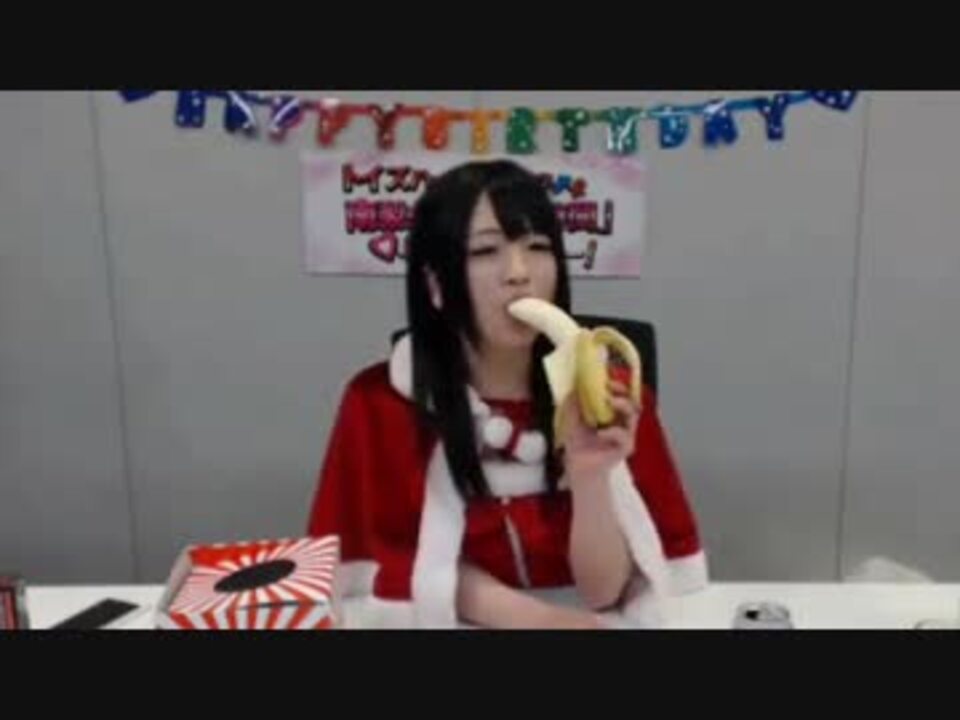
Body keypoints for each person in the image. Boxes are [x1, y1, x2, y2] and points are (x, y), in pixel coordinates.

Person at [307, 159, 707, 629]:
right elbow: (403, 560)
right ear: (435, 283)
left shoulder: (609, 393)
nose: (519, 273)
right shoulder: (378, 404)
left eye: (537, 247)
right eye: (485, 251)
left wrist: (589, 476)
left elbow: (604, 593)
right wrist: (539, 621)